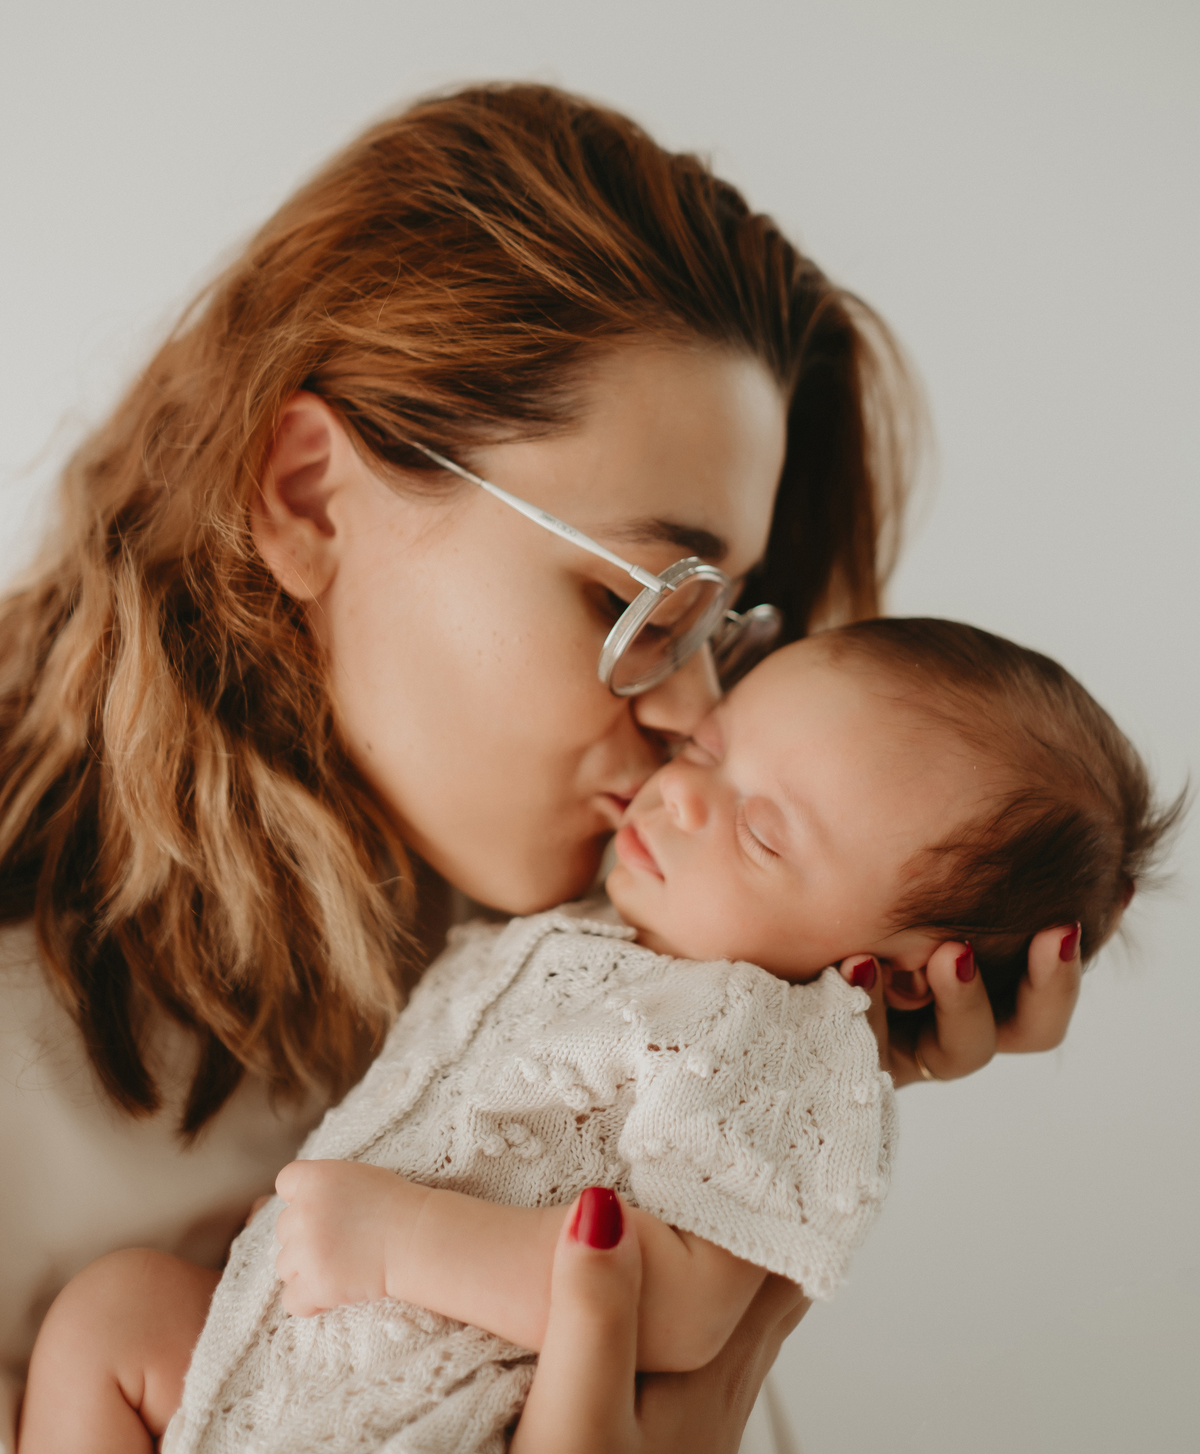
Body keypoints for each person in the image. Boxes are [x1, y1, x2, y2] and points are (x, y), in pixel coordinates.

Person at [0, 85, 1086, 1453]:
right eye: (635, 602)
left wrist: (816, 1057)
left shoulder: (600, 1003)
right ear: (308, 493)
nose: (694, 712)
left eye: (722, 628)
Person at [17, 616, 1176, 1454]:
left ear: (896, 974)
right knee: (116, 1312)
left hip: (437, 1411)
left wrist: (407, 1242)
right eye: (709, 752)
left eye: (763, 835)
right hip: (280, 1357)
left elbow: (688, 1304)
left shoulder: (770, 1045)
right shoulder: (595, 909)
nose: (682, 795)